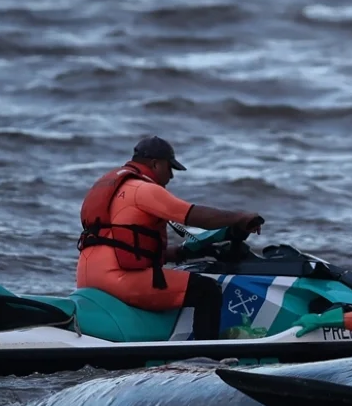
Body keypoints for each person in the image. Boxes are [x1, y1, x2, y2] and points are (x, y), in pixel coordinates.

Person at [75, 135, 264, 340]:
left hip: (87, 278)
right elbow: (197, 216)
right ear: (156, 164)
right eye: (170, 168)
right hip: (118, 278)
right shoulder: (144, 189)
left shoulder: (111, 186)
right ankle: (206, 355)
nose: (171, 176)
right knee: (206, 290)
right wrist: (240, 217)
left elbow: (126, 245)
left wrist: (182, 253)